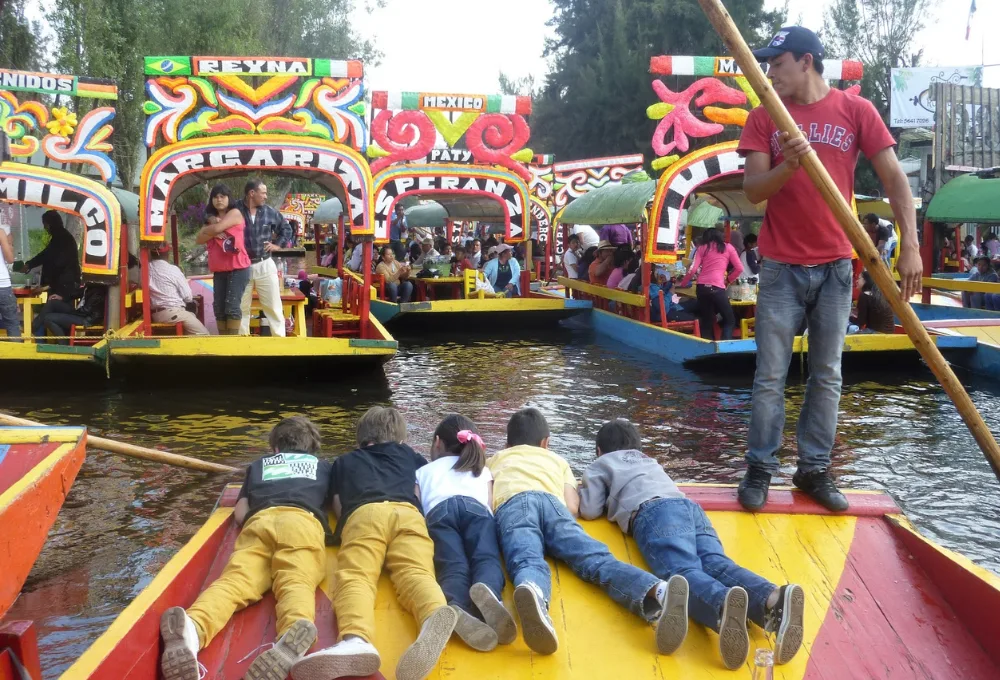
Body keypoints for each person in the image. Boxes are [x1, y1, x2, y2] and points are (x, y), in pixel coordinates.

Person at [737, 26, 921, 512]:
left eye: (778, 63)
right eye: (769, 64)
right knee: (770, 375)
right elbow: (754, 190)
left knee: (828, 374)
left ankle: (813, 470)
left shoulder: (856, 110)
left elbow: (896, 180)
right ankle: (759, 468)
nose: (770, 72)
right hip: (779, 266)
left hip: (839, 265)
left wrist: (911, 247)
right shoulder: (765, 116)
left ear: (807, 62)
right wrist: (790, 167)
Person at [579, 419, 805, 669]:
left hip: (654, 512)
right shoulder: (648, 461)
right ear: (638, 446)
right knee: (716, 563)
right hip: (690, 508)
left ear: (599, 450)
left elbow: (589, 509)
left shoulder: (601, 464)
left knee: (682, 570)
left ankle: (722, 604)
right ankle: (773, 598)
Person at [487, 408, 686, 656]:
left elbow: (486, 499)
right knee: (595, 558)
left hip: (513, 504)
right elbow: (572, 506)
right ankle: (657, 590)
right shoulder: (557, 460)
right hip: (553, 505)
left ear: (507, 442)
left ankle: (534, 591)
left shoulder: (495, 459)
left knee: (526, 558)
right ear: (546, 443)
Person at [291, 407, 457, 680]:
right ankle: (432, 615)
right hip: (408, 514)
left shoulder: (346, 461)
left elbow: (338, 503)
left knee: (357, 576)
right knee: (415, 572)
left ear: (361, 439)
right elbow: (421, 492)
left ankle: (356, 639)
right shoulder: (413, 457)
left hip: (365, 514)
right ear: (401, 439)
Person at [159, 417, 329, 680]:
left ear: (274, 449)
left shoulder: (259, 465)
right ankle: (291, 634)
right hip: (301, 521)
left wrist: (251, 522)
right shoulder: (322, 466)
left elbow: (240, 513)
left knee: (236, 581)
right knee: (296, 580)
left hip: (260, 521)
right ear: (311, 449)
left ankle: (193, 628)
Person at [415, 414, 516, 652]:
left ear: (437, 442)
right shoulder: (481, 469)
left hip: (440, 512)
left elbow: (417, 504)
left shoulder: (424, 470)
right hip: (476, 510)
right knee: (485, 557)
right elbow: (490, 505)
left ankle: (458, 605)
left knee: (452, 564)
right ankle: (489, 592)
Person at [196, 184, 251, 335]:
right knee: (219, 308)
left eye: (222, 196)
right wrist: (212, 230)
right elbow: (199, 239)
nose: (219, 199)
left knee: (232, 306)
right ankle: (224, 340)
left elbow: (216, 229)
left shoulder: (235, 213)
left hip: (238, 268)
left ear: (229, 198)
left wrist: (212, 229)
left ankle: (232, 344)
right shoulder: (210, 218)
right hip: (220, 269)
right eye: (216, 197)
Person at [678, 228, 743, 340]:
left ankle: (706, 349)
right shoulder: (728, 247)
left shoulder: (702, 248)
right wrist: (728, 280)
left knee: (707, 321)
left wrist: (683, 283)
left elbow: (692, 269)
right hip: (717, 287)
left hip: (702, 288)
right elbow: (739, 268)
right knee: (729, 320)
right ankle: (725, 349)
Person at [15, 210, 81, 300]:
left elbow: (49, 257)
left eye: (45, 224)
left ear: (50, 224)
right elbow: (46, 254)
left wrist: (46, 284)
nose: (44, 227)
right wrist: (29, 264)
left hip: (64, 284)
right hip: (64, 282)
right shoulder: (61, 236)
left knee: (52, 309)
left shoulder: (61, 238)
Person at [148, 243, 209, 335]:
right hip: (173, 313)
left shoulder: (146, 268)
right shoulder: (173, 270)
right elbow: (188, 297)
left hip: (155, 314)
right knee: (204, 334)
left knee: (189, 316)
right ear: (168, 254)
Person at [31, 282, 106, 340]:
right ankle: (35, 326)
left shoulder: (97, 291)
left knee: (48, 318)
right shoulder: (89, 286)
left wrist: (69, 313)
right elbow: (75, 294)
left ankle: (63, 344)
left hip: (86, 319)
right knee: (52, 303)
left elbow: (86, 311)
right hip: (80, 313)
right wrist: (61, 297)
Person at [0, 222, 20, 338]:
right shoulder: (1, 232)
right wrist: (9, 243)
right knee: (12, 324)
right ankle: (16, 355)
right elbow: (10, 259)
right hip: (2, 285)